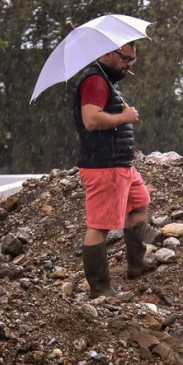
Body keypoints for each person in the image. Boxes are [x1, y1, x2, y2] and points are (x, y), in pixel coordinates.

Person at [72, 42, 151, 298]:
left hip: (121, 164)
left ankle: (136, 265)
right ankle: (100, 288)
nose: (129, 65)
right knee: (99, 226)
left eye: (133, 61)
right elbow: (91, 119)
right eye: (126, 59)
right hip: (104, 166)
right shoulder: (95, 80)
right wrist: (124, 117)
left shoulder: (107, 80)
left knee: (139, 204)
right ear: (107, 53)